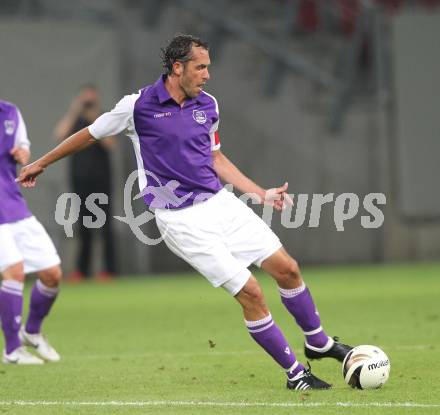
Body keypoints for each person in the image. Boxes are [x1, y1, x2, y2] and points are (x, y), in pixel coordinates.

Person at [17, 35, 352, 388]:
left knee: (288, 269)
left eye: (208, 67)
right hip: (180, 219)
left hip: (220, 204)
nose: (207, 75)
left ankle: (318, 342)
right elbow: (89, 134)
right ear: (178, 68)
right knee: (251, 292)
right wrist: (41, 163)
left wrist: (259, 193)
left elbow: (215, 158)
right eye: (201, 67)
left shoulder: (208, 105)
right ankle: (295, 374)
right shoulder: (137, 106)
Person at [0, 99, 61, 364]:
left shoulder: (10, 112)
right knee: (13, 270)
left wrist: (23, 154)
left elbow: (23, 146)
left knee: (52, 274)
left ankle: (32, 331)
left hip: (13, 204)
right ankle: (12, 349)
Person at [53, 85, 116, 282]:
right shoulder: (75, 120)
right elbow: (59, 135)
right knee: (83, 225)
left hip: (102, 181)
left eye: (91, 99)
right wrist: (75, 111)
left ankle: (109, 270)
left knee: (105, 226)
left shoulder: (104, 118)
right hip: (80, 181)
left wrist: (94, 118)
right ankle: (82, 270)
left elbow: (111, 144)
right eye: (85, 99)